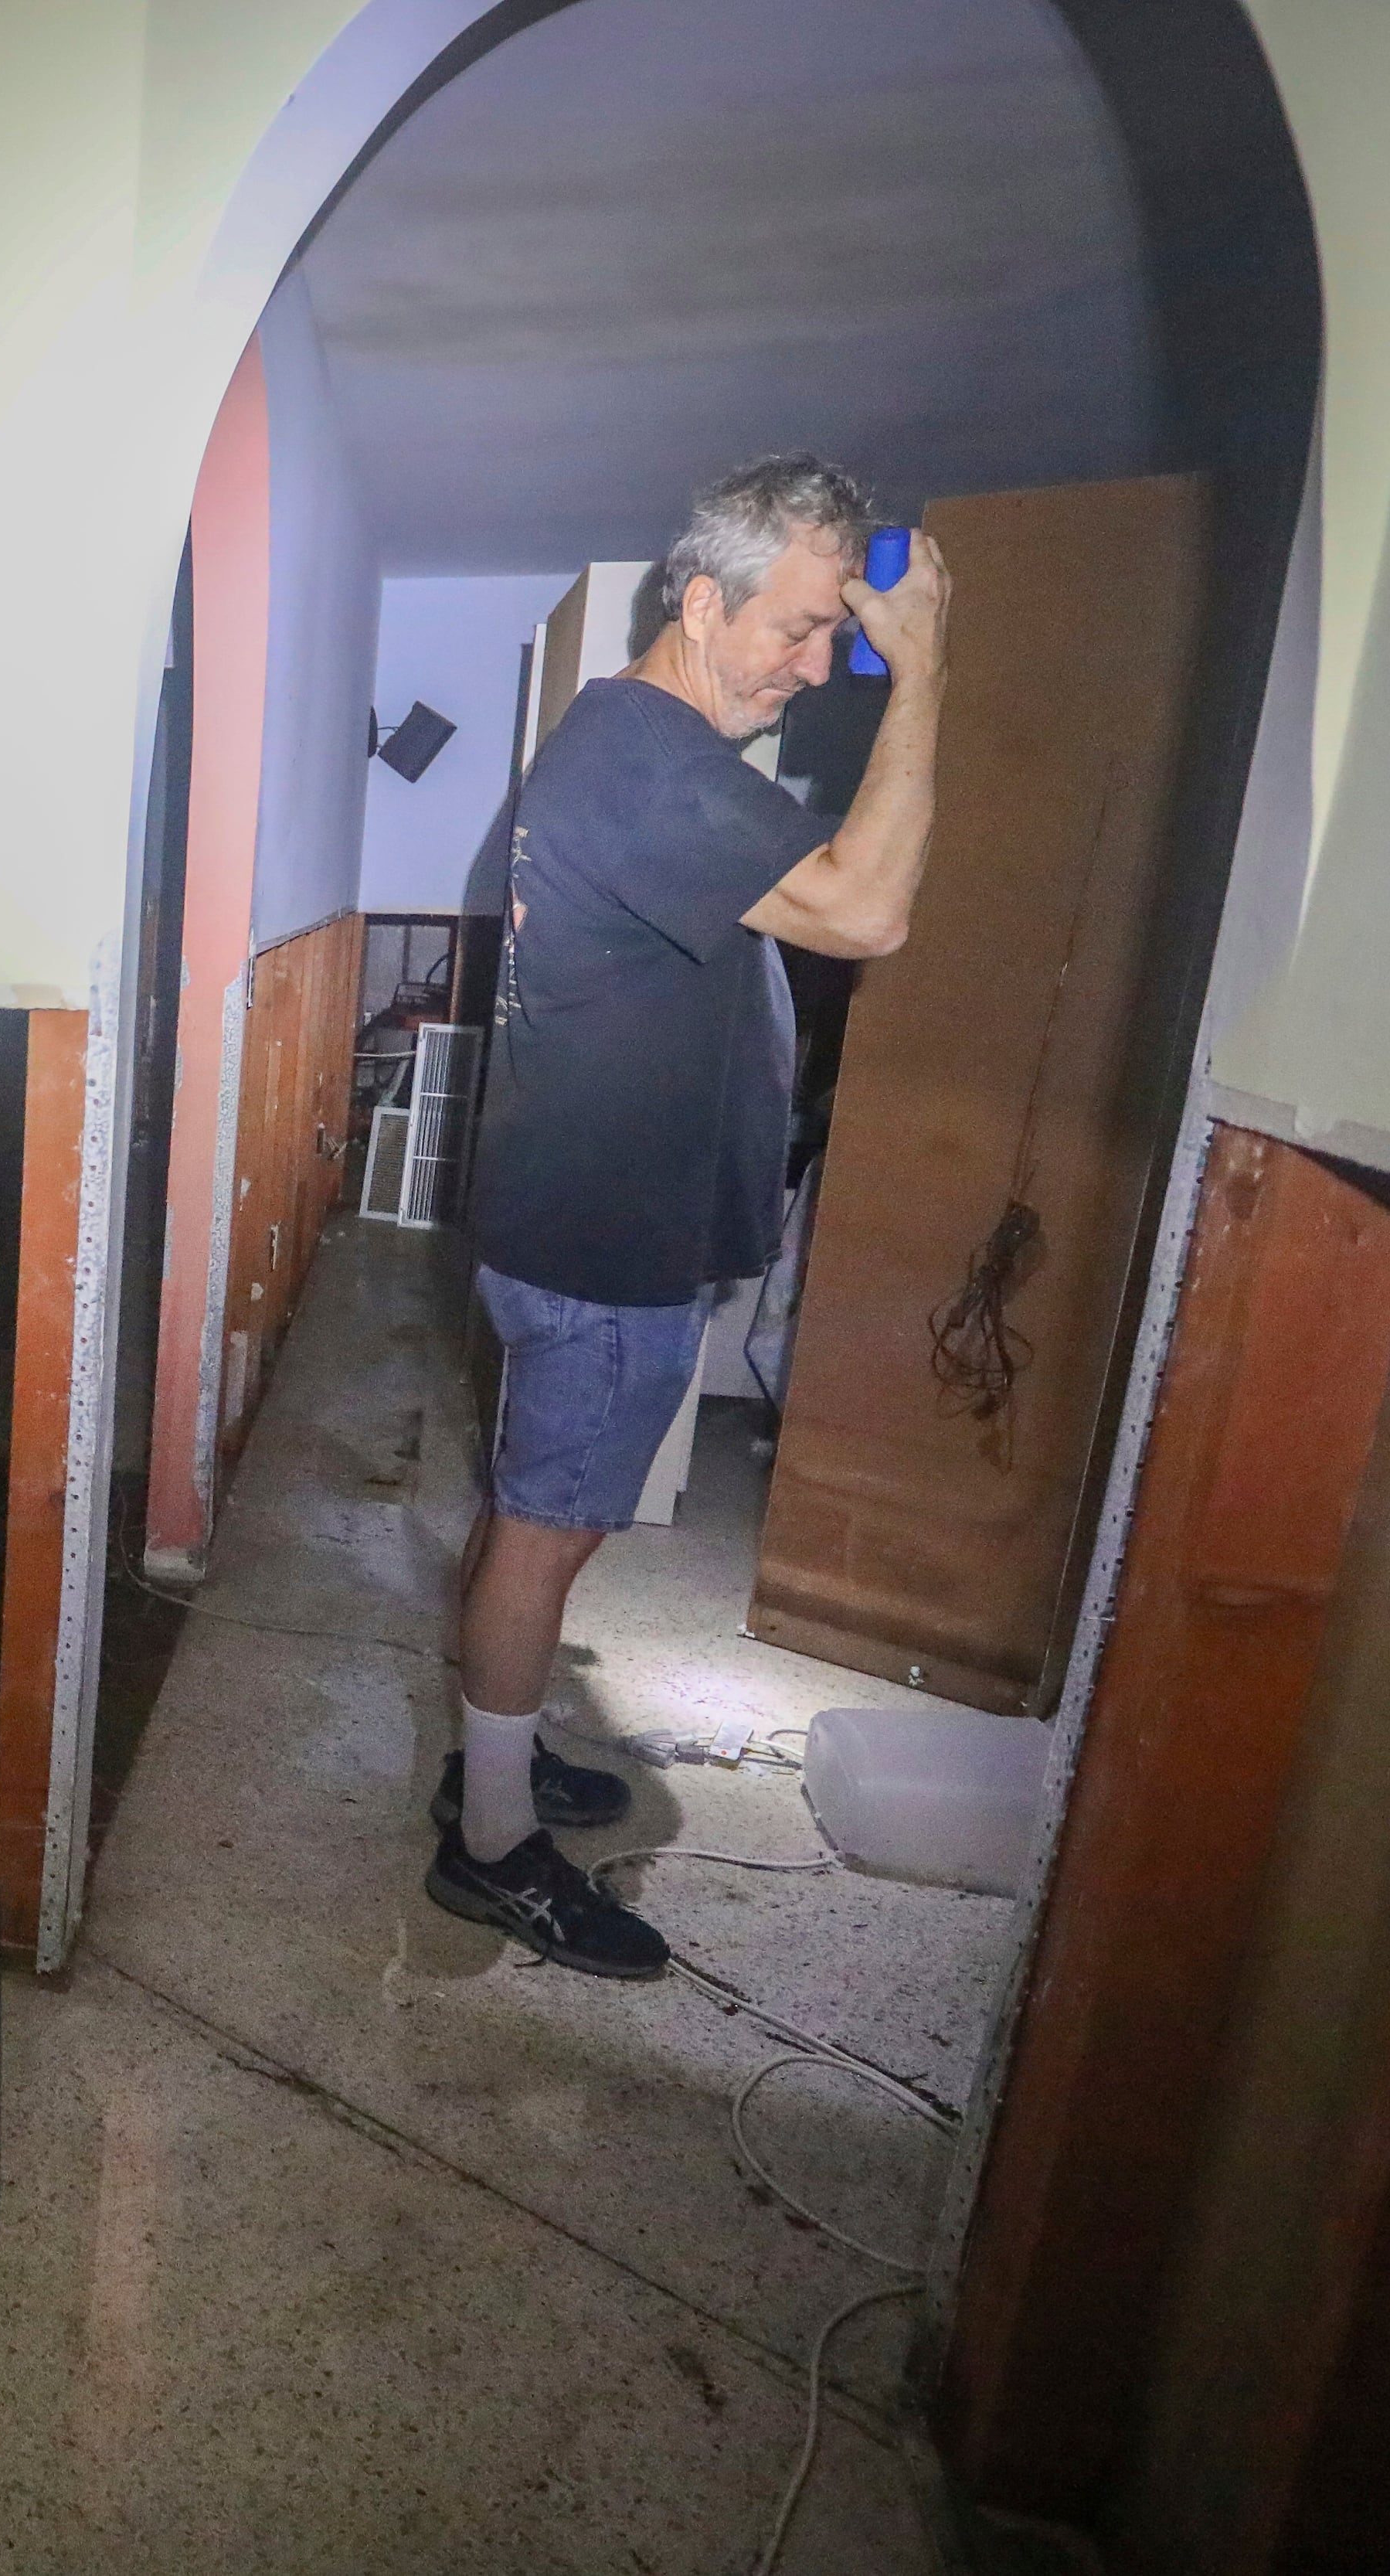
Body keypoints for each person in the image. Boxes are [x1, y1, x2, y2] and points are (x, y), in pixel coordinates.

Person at [426, 453, 952, 1977]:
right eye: (795, 627)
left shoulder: (641, 747)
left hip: (591, 1226)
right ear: (698, 599)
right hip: (600, 1249)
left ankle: (496, 1752)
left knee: (544, 1519)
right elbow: (868, 910)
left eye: (836, 639)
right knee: (545, 1534)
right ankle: (491, 1846)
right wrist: (918, 670)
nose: (812, 666)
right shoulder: (653, 760)